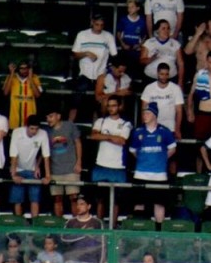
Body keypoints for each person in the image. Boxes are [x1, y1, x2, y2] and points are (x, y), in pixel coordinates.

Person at [129, 103, 177, 225]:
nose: (144, 115)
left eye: (148, 113)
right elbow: (133, 150)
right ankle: (138, 229)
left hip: (159, 175)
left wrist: (160, 158)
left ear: (155, 115)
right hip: (141, 174)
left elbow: (172, 149)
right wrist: (144, 159)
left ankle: (158, 232)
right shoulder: (137, 132)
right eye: (144, 113)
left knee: (159, 204)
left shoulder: (164, 132)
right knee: (139, 203)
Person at [90, 95, 132, 223]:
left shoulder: (126, 123)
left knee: (116, 201)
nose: (111, 108)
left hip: (118, 167)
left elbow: (122, 140)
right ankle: (99, 225)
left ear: (120, 106)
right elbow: (93, 136)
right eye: (109, 106)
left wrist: (104, 136)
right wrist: (111, 137)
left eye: (114, 105)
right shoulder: (101, 121)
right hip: (101, 165)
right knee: (100, 199)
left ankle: (113, 227)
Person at [70, 14, 118, 121]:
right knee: (75, 101)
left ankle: (98, 127)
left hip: (101, 74)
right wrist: (86, 53)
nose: (99, 27)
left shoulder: (108, 36)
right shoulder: (82, 34)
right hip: (84, 73)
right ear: (92, 22)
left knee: (98, 104)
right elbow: (75, 54)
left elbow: (114, 55)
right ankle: (70, 125)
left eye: (101, 25)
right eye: (97, 25)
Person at [8, 114, 52, 217]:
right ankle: (18, 226)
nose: (34, 131)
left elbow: (46, 156)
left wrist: (48, 176)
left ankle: (35, 226)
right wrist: (13, 174)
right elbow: (14, 156)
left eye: (36, 129)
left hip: (32, 170)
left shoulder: (43, 134)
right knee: (17, 200)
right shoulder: (17, 132)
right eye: (32, 128)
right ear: (26, 126)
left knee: (35, 199)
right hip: (18, 169)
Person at [46, 108, 83, 217]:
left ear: (58, 116)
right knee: (57, 199)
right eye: (47, 117)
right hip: (55, 170)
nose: (48, 119)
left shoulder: (69, 126)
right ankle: (59, 227)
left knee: (74, 198)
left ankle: (76, 226)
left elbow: (78, 143)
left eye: (51, 116)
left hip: (71, 169)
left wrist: (79, 162)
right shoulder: (47, 131)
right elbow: (44, 152)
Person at [141, 63, 185, 137]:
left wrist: (177, 129)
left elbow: (179, 111)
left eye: (166, 74)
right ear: (157, 73)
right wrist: (144, 128)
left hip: (170, 128)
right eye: (162, 74)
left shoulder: (176, 88)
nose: (164, 77)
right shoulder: (149, 88)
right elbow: (143, 109)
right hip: (152, 127)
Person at [141, 18, 184, 85]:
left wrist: (180, 81)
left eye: (168, 28)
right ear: (157, 30)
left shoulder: (176, 44)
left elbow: (180, 64)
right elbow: (142, 60)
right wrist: (152, 58)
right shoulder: (149, 42)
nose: (166, 31)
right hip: (151, 79)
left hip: (171, 79)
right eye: (163, 28)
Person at [2, 60, 42, 130]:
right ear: (18, 69)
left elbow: (38, 95)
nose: (24, 70)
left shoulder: (35, 77)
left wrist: (30, 79)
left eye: (26, 68)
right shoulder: (11, 77)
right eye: (21, 68)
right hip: (15, 117)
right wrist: (11, 73)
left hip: (30, 118)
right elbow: (5, 93)